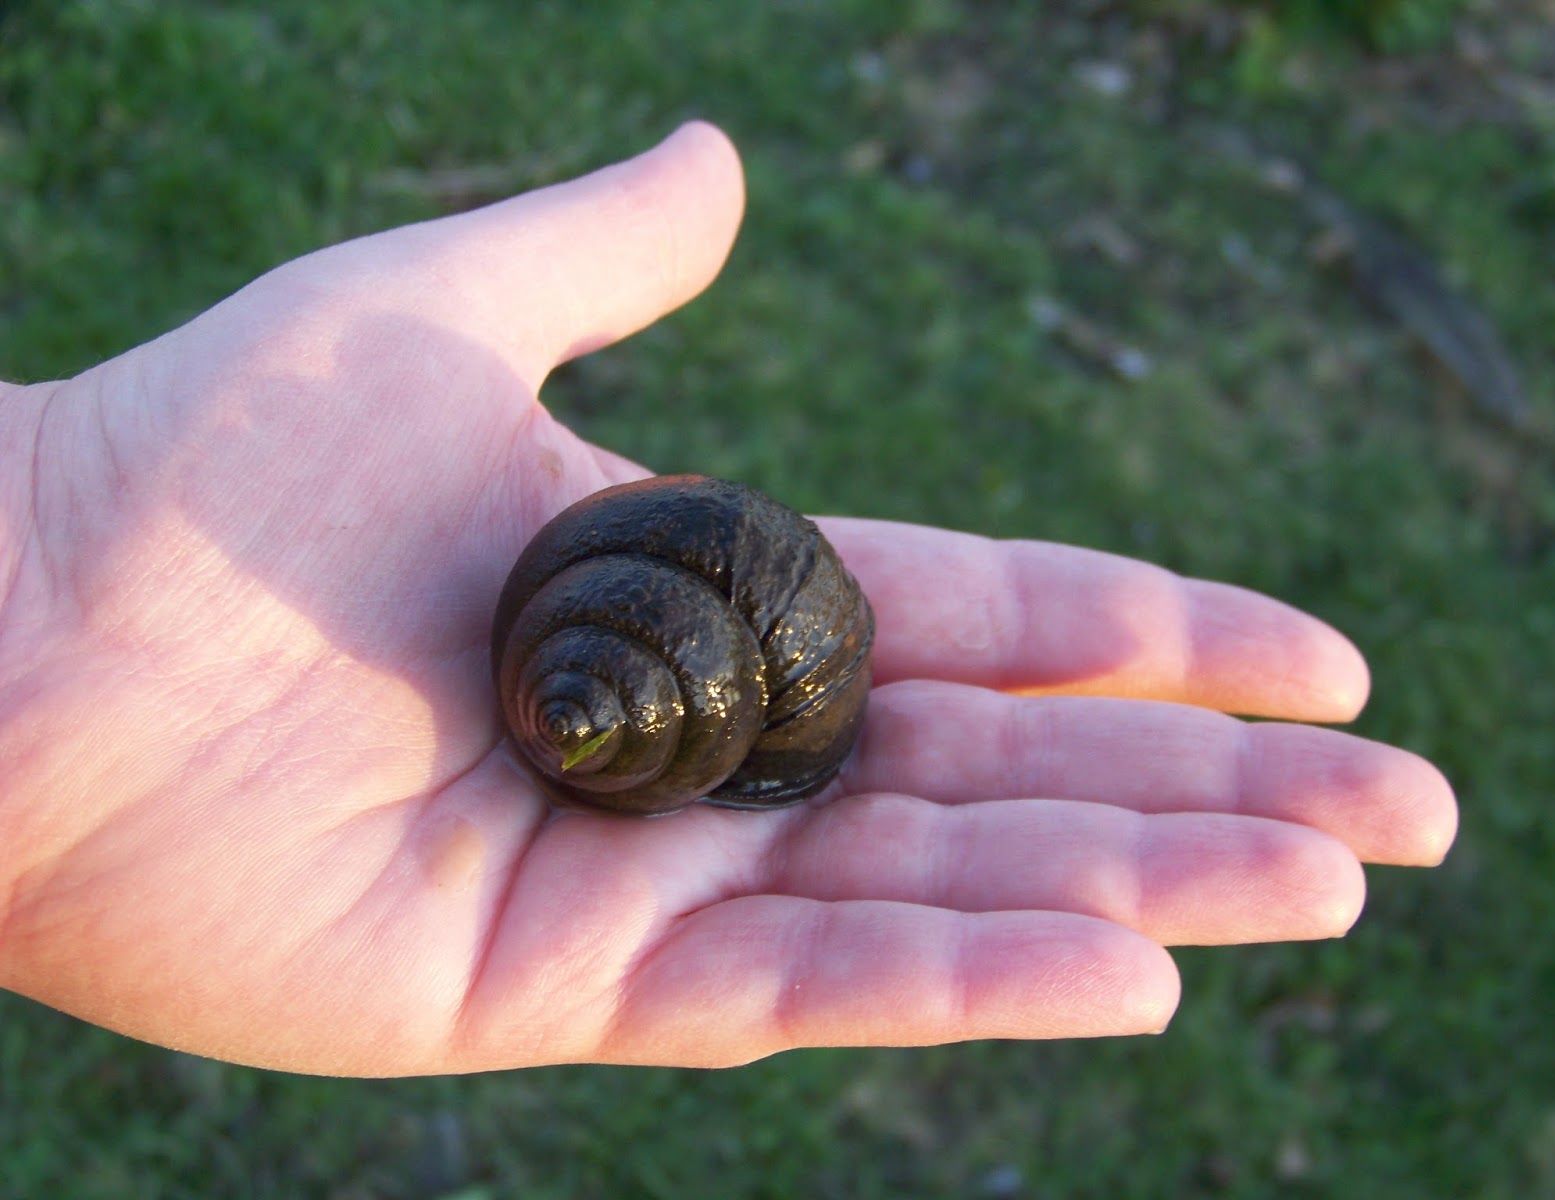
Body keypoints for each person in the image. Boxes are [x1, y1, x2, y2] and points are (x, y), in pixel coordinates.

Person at [0, 123, 1456, 1076]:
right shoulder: (603, 651)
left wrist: (43, 581)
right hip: (643, 638)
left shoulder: (650, 665)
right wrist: (47, 560)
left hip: (661, 648)